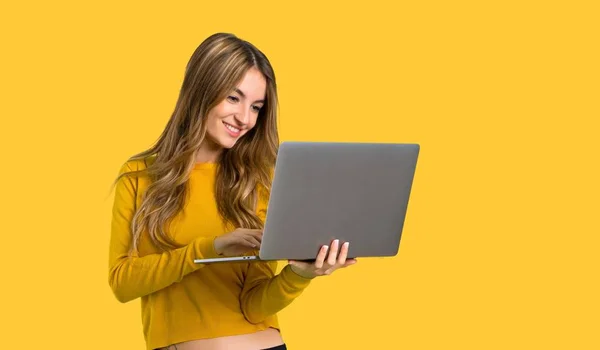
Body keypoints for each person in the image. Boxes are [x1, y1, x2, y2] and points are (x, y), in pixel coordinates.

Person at [108, 32, 357, 350]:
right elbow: (122, 283)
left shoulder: (257, 184)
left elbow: (254, 305)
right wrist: (208, 249)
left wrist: (299, 274)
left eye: (256, 106)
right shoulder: (140, 176)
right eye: (233, 98)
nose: (245, 119)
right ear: (201, 91)